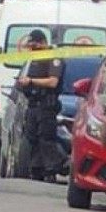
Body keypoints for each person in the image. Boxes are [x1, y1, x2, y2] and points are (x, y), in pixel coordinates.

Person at [16, 29, 65, 182]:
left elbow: (53, 81)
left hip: (46, 105)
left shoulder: (53, 57)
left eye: (34, 45)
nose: (32, 49)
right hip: (33, 104)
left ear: (43, 43)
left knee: (46, 138)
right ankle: (36, 168)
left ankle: (55, 166)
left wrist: (31, 81)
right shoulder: (34, 59)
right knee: (32, 138)